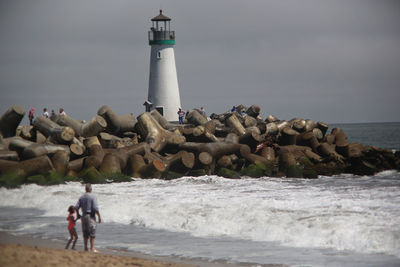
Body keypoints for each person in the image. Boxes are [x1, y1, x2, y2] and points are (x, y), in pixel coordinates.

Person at [75, 183, 101, 252]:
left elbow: (76, 207)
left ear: (85, 189)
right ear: (91, 189)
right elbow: (95, 208)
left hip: (83, 216)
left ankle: (85, 248)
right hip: (91, 216)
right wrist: (99, 216)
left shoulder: (82, 197)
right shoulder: (93, 197)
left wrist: (78, 215)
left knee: (85, 232)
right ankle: (92, 248)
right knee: (92, 232)